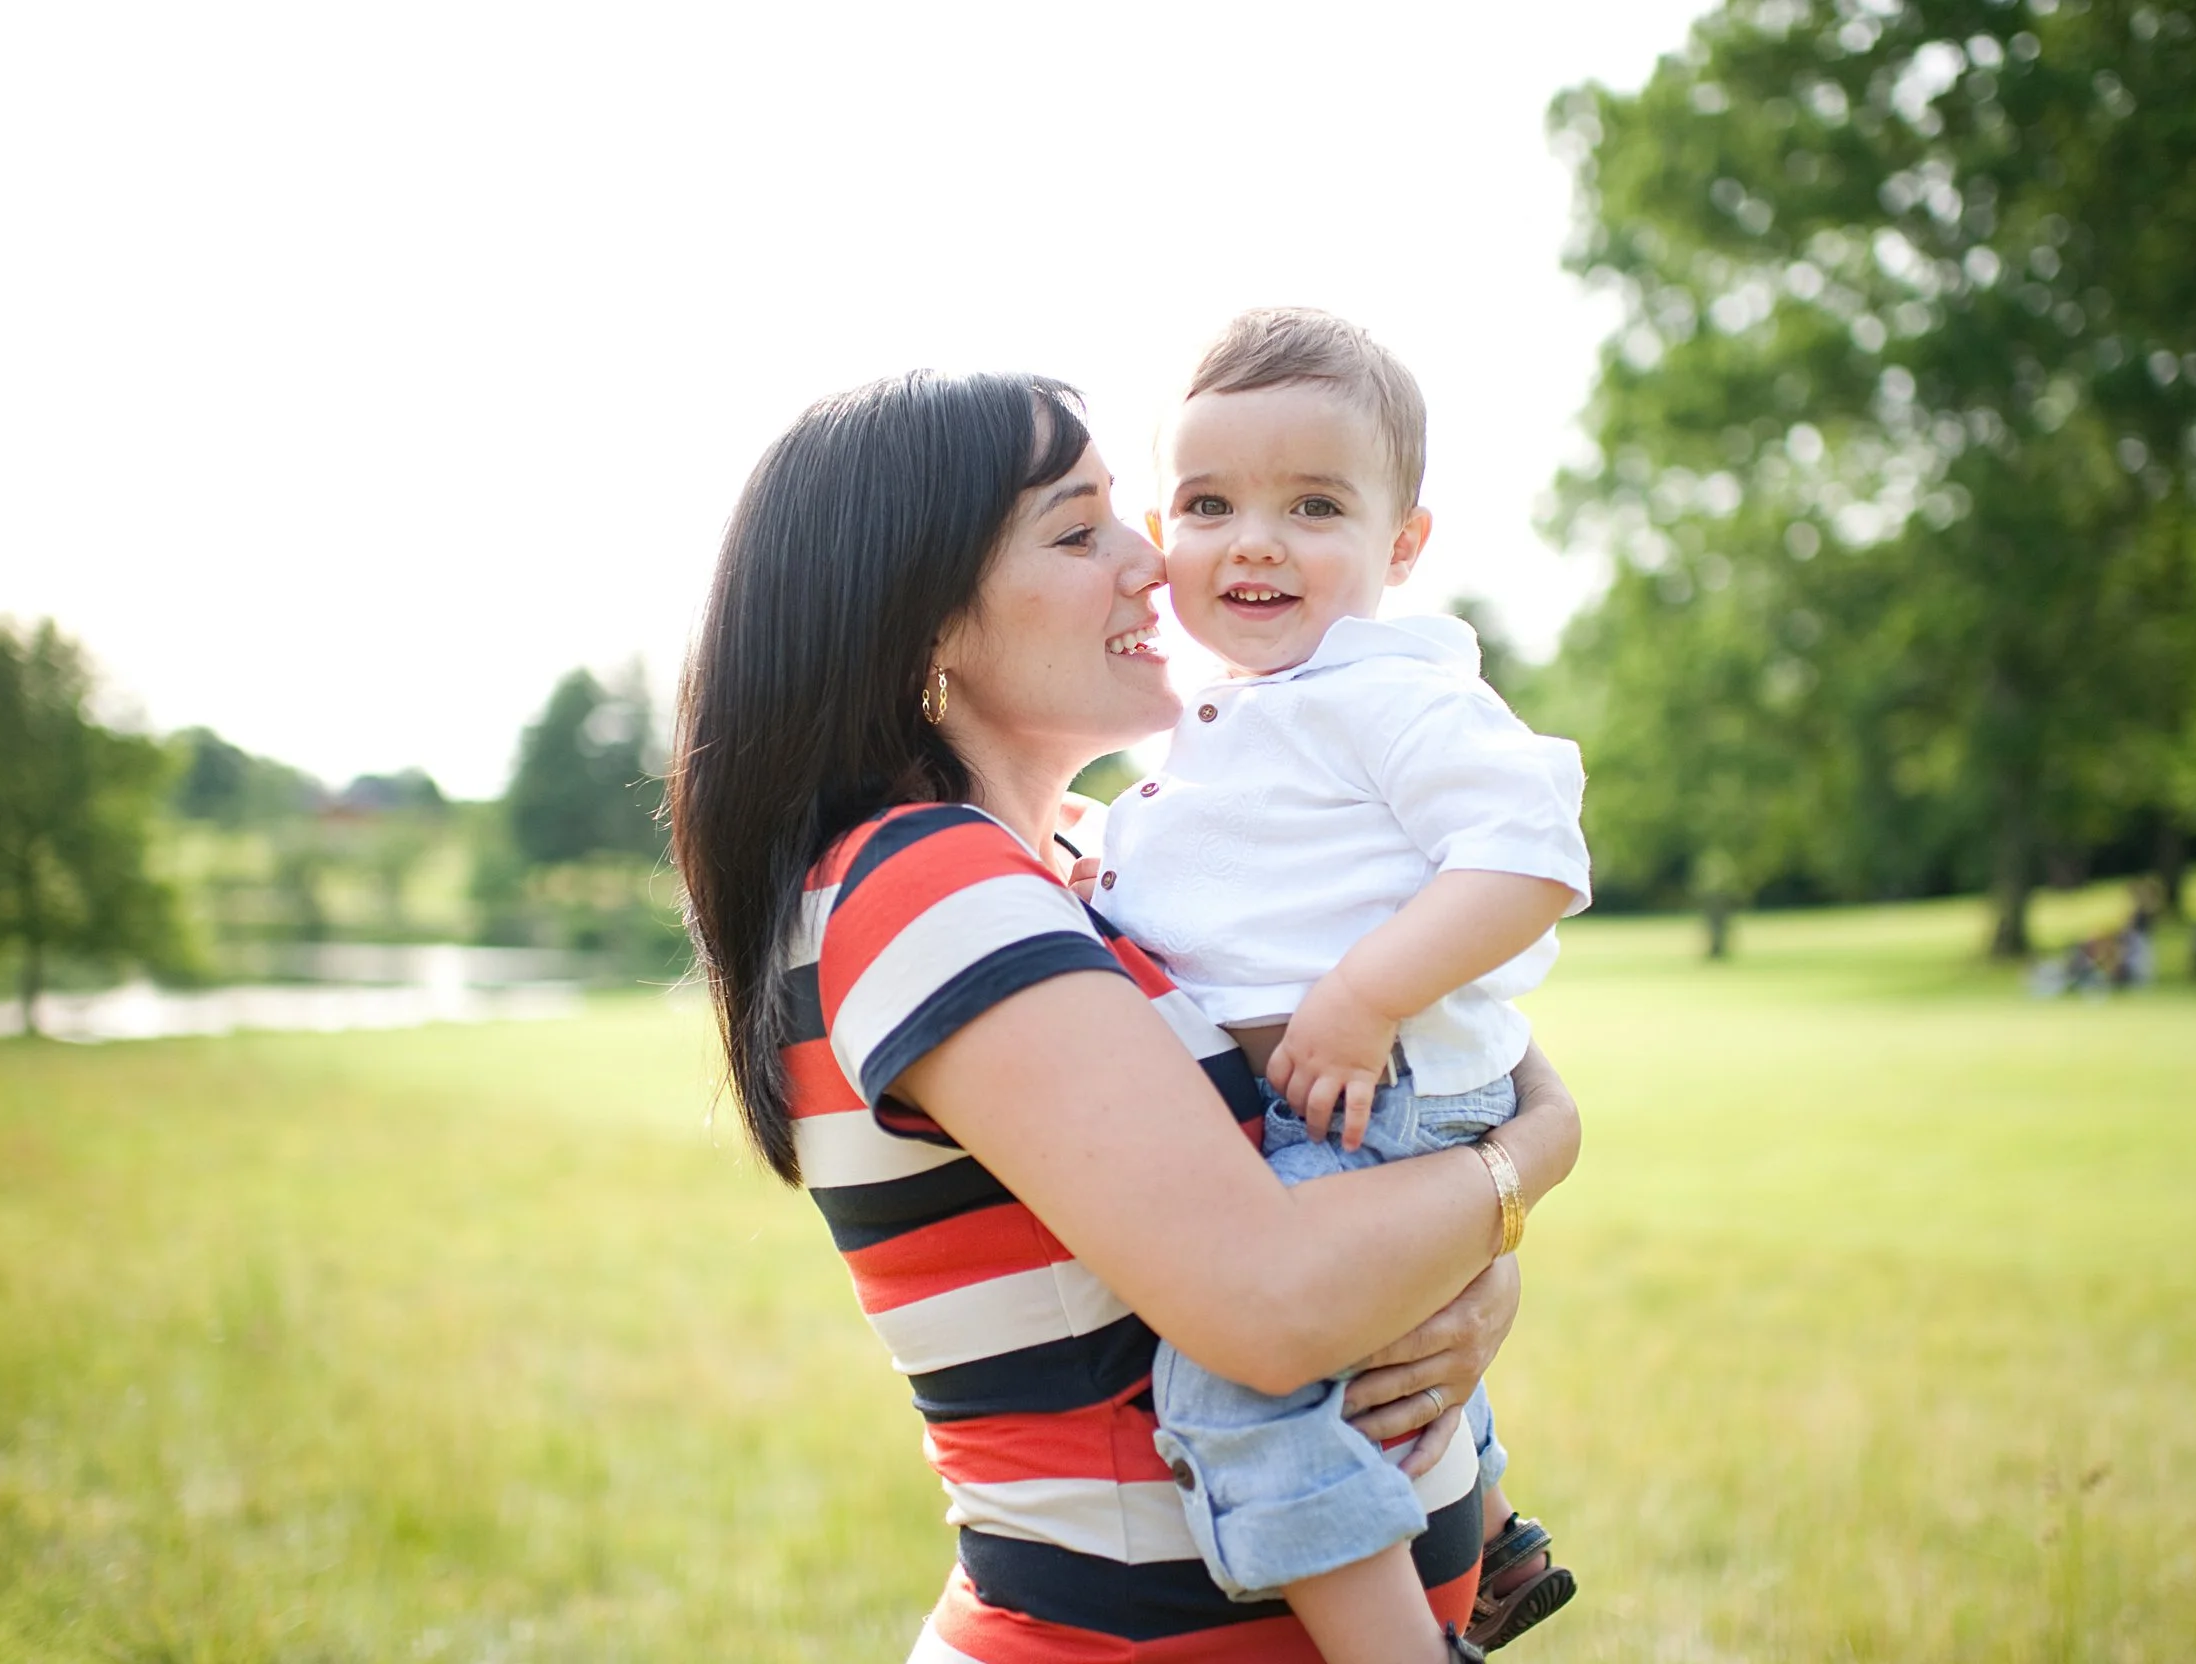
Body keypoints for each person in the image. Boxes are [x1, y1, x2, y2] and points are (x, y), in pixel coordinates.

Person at [666, 370, 1585, 1664]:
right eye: (1078, 528)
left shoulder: (1091, 867)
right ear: (923, 616)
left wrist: (1469, 1265)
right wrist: (1519, 1171)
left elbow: (1436, 1044)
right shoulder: (929, 886)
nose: (1156, 561)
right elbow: (1269, 1303)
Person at [1096, 310, 1585, 1654]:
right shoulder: (1242, 715)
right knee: (1388, 1336)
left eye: (1313, 504)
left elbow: (1533, 856)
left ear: (1403, 545)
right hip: (1342, 1109)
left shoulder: (1387, 694)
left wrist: (1365, 996)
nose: (1253, 539)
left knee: (1238, 1375)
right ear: (1163, 530)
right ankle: (1487, 1534)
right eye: (1209, 504)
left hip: (1375, 1103)